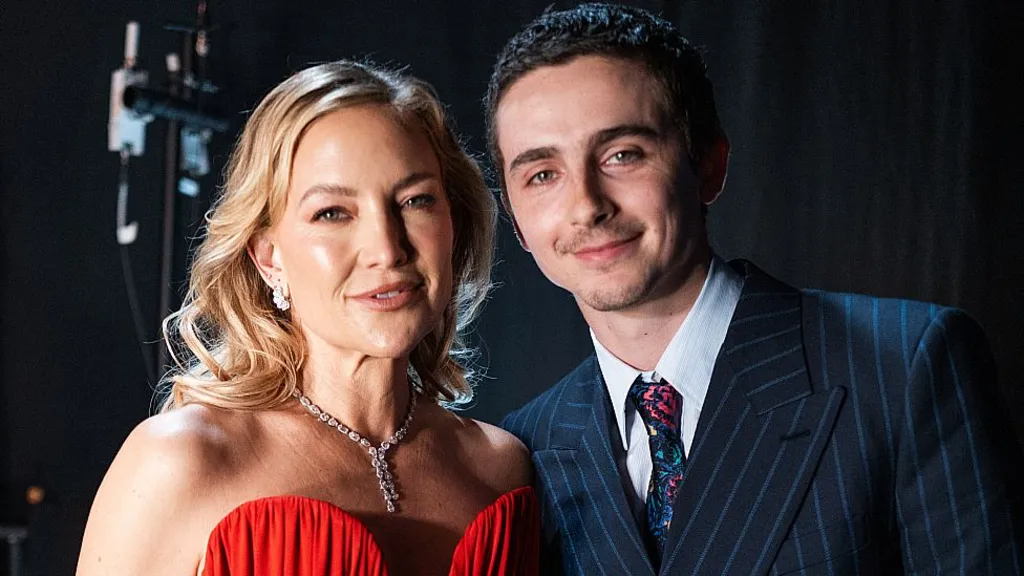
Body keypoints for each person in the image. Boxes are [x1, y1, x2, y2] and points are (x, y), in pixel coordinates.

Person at [489, 4, 1024, 575]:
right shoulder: (523, 449)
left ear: (709, 166)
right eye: (542, 175)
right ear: (517, 222)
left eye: (623, 155)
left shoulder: (905, 368)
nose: (587, 206)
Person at [77, 60, 539, 576]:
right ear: (268, 257)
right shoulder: (179, 462)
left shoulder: (501, 469)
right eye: (332, 213)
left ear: (453, 223)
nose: (387, 249)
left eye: (415, 200)